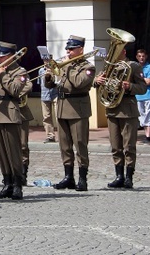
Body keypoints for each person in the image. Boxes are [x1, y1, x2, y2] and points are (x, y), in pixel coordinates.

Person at [0, 41, 31, 201]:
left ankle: (17, 184)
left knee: (13, 151)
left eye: (2, 56)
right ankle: (7, 182)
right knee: (1, 151)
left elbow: (16, 91)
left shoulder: (20, 72)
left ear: (10, 57)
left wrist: (3, 75)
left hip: (10, 112)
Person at [46, 35, 95, 191]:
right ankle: (68, 177)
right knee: (64, 145)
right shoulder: (65, 65)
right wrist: (49, 77)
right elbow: (52, 85)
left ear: (80, 49)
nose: (68, 51)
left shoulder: (88, 67)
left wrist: (67, 67)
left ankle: (82, 178)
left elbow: (78, 82)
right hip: (62, 106)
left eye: (71, 49)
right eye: (67, 48)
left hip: (78, 109)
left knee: (80, 144)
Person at [96, 44, 146, 189]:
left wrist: (129, 86)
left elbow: (142, 88)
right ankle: (119, 176)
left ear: (123, 51)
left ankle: (129, 177)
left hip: (128, 110)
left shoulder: (133, 66)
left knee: (129, 146)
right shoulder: (108, 66)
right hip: (112, 109)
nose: (113, 54)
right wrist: (97, 81)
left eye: (116, 51)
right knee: (115, 146)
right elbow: (97, 82)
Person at [135, 48, 150, 145]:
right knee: (142, 117)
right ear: (137, 57)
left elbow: (148, 82)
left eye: (143, 56)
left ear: (146, 57)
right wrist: (142, 79)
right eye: (139, 56)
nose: (141, 58)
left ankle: (149, 137)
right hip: (138, 96)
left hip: (148, 95)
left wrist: (138, 79)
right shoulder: (135, 67)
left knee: (148, 116)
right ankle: (147, 136)